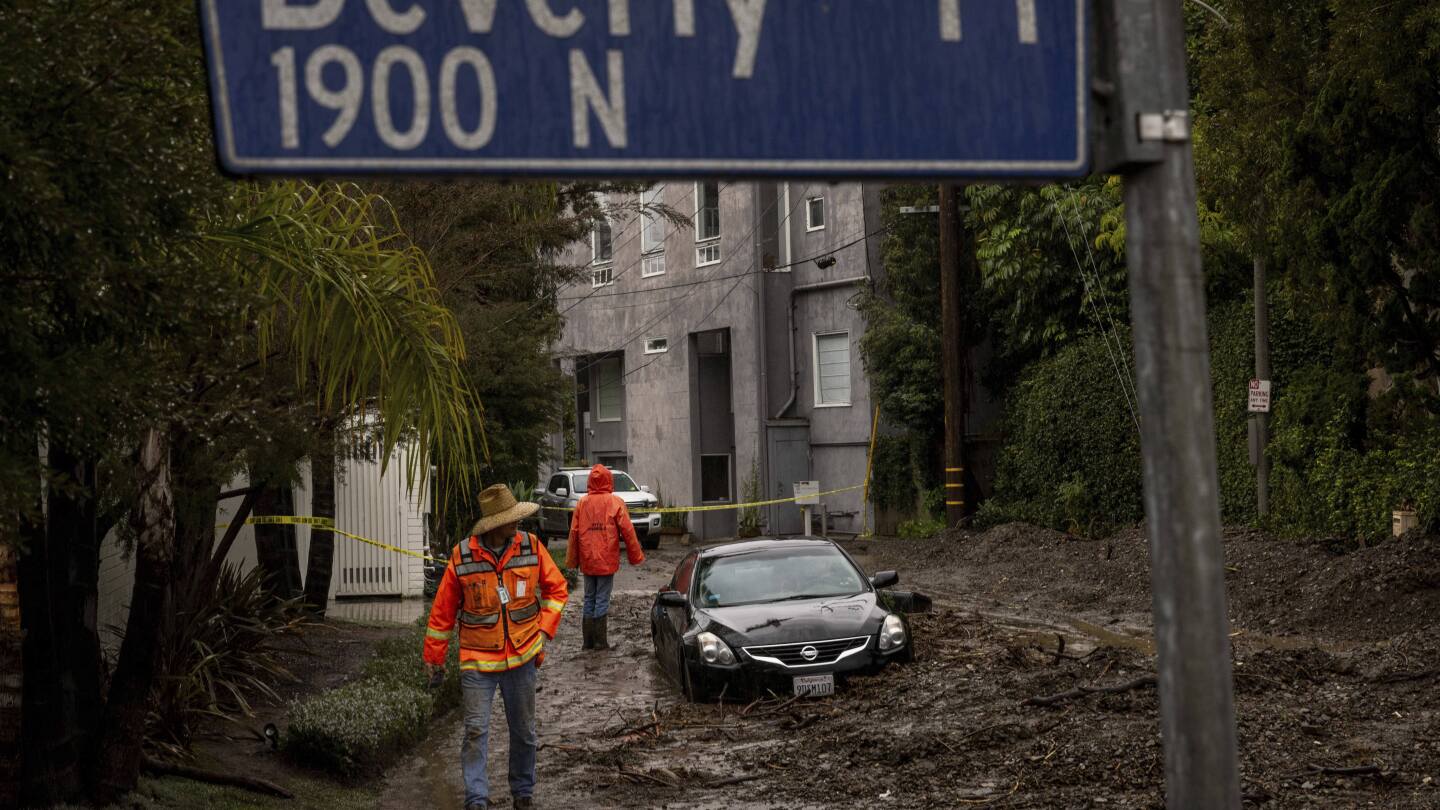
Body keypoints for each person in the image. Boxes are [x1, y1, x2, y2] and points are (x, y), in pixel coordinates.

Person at [424, 484, 569, 810]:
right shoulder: (462, 557)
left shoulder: (531, 547)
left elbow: (557, 591)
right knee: (475, 731)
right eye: (511, 519)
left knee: (524, 732)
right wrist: (434, 658)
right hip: (477, 662)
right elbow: (442, 614)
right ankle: (476, 799)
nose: (517, 523)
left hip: (523, 657)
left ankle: (523, 793)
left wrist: (544, 632)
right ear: (493, 525)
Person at [564, 464, 645, 650]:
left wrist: (572, 560)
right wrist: (636, 556)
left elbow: (574, 532)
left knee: (589, 597)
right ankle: (600, 642)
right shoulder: (615, 502)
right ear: (609, 480)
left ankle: (588, 642)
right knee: (601, 599)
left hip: (587, 558)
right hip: (606, 559)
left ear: (590, 481)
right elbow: (628, 531)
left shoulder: (582, 503)